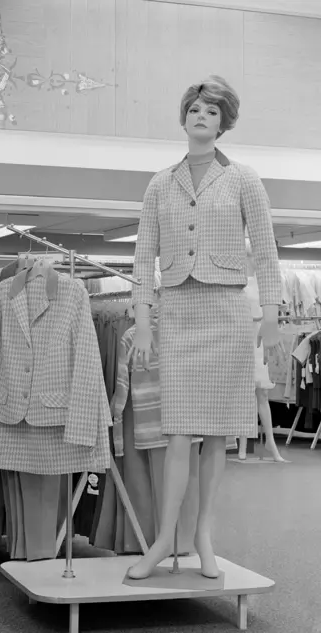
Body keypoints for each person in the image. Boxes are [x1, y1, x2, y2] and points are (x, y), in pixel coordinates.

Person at [127, 75, 285, 580]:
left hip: (227, 315)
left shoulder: (244, 179)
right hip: (178, 313)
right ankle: (162, 542)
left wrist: (275, 316)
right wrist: (144, 323)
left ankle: (204, 535)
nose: (202, 116)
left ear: (224, 123)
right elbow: (143, 257)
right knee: (177, 432)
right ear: (184, 117)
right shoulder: (159, 184)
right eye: (195, 109)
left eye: (212, 112)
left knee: (216, 433)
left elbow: (265, 250)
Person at [239, 241, 288, 462]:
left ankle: (270, 441)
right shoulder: (239, 281)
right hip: (242, 337)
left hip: (259, 337)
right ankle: (242, 443)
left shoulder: (265, 282)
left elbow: (271, 310)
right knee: (243, 392)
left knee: (262, 392)